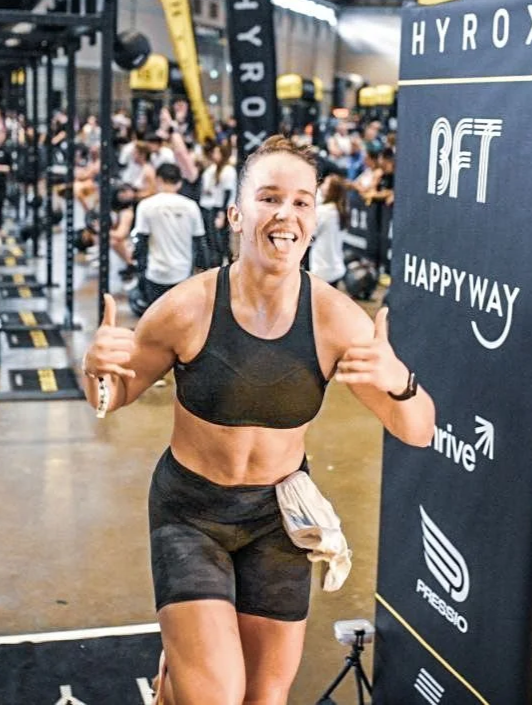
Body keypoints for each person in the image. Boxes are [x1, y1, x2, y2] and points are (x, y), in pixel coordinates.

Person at [81, 135, 435, 705]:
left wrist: (399, 379)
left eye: (300, 202)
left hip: (279, 519)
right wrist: (95, 365)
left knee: (264, 698)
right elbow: (110, 397)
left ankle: (176, 675)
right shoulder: (187, 307)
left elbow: (418, 429)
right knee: (217, 695)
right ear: (236, 214)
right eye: (269, 198)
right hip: (190, 514)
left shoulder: (336, 319)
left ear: (313, 219)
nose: (285, 214)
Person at [133, 163, 208, 306]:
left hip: (156, 273)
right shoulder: (191, 206)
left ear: (158, 180)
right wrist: (204, 268)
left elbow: (141, 241)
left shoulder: (146, 205)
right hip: (182, 272)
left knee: (156, 314)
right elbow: (200, 241)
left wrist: (138, 267)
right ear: (179, 183)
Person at [310, 173, 348, 287]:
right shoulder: (342, 210)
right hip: (336, 267)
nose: (321, 186)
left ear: (332, 190)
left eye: (325, 184)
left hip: (322, 268)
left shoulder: (323, 211)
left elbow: (310, 234)